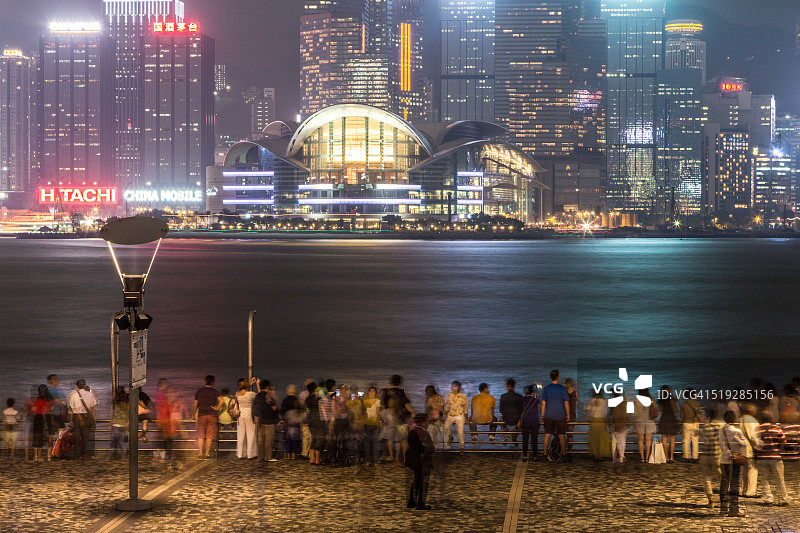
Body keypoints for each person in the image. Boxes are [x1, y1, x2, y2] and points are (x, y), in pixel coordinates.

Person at [756, 411, 792, 506]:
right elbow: (783, 441)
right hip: (775, 456)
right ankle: (783, 499)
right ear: (771, 419)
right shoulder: (776, 428)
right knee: (779, 479)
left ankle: (768, 499)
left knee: (765, 479)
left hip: (762, 457)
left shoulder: (757, 429)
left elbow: (755, 442)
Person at [719, 410, 748, 517]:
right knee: (735, 483)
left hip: (724, 459)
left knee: (724, 483)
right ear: (733, 419)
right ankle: (734, 509)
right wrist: (736, 439)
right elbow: (745, 444)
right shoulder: (736, 431)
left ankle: (723, 508)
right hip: (735, 459)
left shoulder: (721, 430)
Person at [381, 375, 413, 466]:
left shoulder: (386, 392)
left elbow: (383, 405)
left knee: (390, 439)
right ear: (400, 382)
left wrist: (383, 418)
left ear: (391, 382)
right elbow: (407, 404)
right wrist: (412, 413)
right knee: (402, 439)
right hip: (400, 418)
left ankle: (392, 458)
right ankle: (405, 459)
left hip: (389, 417)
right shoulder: (400, 392)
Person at [405, 414, 435, 511]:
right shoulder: (424, 434)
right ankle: (420, 503)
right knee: (423, 482)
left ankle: (412, 501)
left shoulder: (411, 432)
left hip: (413, 461)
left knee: (416, 480)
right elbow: (430, 448)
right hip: (423, 461)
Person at [541, 369, 570, 461]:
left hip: (549, 415)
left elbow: (543, 403)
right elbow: (566, 403)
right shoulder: (562, 389)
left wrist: (542, 414)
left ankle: (544, 454)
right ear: (558, 377)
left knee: (547, 435)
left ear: (551, 377)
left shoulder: (547, 389)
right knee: (561, 435)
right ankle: (563, 455)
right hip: (560, 415)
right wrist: (568, 414)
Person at [698, 407, 724, 508]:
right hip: (717, 455)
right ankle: (724, 499)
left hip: (705, 455)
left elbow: (697, 433)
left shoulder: (704, 427)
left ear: (708, 416)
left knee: (706, 478)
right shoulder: (721, 427)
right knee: (722, 478)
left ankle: (711, 500)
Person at [192, 375, 222, 460]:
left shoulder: (200, 391)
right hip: (212, 415)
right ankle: (207, 454)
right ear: (213, 382)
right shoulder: (215, 391)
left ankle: (200, 453)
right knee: (209, 436)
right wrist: (216, 408)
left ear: (205, 381)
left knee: (201, 435)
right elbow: (221, 401)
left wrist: (193, 414)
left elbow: (195, 404)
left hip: (202, 415)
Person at [67, 379, 96, 459]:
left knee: (77, 437)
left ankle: (76, 455)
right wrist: (94, 418)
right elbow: (92, 409)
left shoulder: (73, 395)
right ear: (85, 386)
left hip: (77, 417)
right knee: (85, 437)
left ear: (77, 386)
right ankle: (84, 454)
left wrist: (71, 420)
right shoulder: (90, 395)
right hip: (86, 417)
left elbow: (72, 410)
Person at [253, 378, 279, 462]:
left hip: (259, 420)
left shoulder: (257, 396)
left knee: (261, 440)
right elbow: (274, 408)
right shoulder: (269, 396)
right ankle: (268, 457)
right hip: (269, 420)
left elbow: (254, 408)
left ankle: (260, 456)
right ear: (268, 387)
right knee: (269, 440)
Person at [739, 403, 761, 497]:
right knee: (752, 470)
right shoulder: (752, 421)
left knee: (743, 471)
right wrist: (758, 447)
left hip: (741, 448)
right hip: (750, 448)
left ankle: (742, 490)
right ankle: (750, 492)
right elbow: (753, 437)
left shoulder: (741, 419)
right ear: (752, 411)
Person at [234, 377, 257, 459]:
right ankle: (250, 454)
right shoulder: (250, 394)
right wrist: (257, 384)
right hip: (249, 415)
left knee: (240, 435)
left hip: (240, 416)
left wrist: (249, 385)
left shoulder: (237, 394)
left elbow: (244, 393)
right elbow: (259, 395)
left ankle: (240, 454)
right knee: (250, 434)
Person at [584, 390, 611, 461]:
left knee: (594, 439)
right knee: (602, 439)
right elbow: (606, 412)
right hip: (602, 421)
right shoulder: (604, 401)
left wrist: (587, 418)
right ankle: (600, 455)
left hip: (594, 421)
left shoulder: (591, 401)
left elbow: (587, 411)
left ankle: (595, 456)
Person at [29, 385, 53, 462]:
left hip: (38, 417)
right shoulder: (50, 399)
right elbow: (52, 408)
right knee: (49, 436)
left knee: (37, 436)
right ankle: (48, 456)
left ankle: (36, 456)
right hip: (47, 417)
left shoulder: (37, 399)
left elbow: (33, 409)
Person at [443, 381, 468, 453]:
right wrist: (444, 416)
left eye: (455, 386)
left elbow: (465, 407)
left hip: (460, 415)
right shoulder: (449, 395)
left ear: (458, 387)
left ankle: (462, 447)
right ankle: (450, 436)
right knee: (445, 427)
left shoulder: (463, 396)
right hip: (450, 415)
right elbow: (447, 406)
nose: (453, 387)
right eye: (452, 386)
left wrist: (466, 418)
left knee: (460, 432)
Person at [657, 385, 680, 463]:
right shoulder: (672, 400)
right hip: (671, 418)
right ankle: (671, 457)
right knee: (672, 439)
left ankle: (666, 457)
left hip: (663, 418)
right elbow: (676, 410)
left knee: (664, 438)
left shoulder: (660, 400)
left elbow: (659, 411)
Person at [518, 385, 540, 461]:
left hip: (526, 421)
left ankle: (525, 456)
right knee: (534, 439)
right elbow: (539, 410)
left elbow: (521, 410)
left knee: (525, 439)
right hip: (535, 421)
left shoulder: (523, 400)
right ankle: (534, 456)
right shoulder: (536, 400)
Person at [634, 388, 656, 463]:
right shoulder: (651, 399)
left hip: (639, 421)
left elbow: (634, 411)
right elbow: (654, 408)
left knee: (640, 440)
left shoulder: (636, 399)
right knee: (648, 440)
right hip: (649, 421)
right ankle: (647, 457)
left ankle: (642, 458)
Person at [305, 381, 324, 465]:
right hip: (318, 421)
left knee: (313, 439)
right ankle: (317, 459)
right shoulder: (317, 399)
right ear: (314, 389)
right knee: (318, 440)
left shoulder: (307, 399)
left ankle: (312, 459)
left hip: (311, 421)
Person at [680, 389, 701, 462]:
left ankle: (687, 457)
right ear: (693, 395)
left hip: (686, 423)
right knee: (695, 440)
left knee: (686, 441)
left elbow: (681, 416)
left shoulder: (684, 404)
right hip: (695, 423)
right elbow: (699, 413)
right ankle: (695, 457)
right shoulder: (697, 403)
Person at [499, 379, 524, 443]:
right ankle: (515, 433)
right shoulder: (519, 396)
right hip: (516, 419)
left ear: (507, 386)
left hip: (506, 419)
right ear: (514, 386)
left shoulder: (503, 396)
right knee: (521, 419)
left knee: (501, 418)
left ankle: (506, 433)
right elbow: (522, 409)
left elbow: (501, 410)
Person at [610, 391, 630, 472]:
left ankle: (617, 457)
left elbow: (611, 414)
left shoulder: (613, 403)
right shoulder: (624, 403)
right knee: (622, 440)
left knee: (617, 440)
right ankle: (621, 456)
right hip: (623, 423)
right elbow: (628, 413)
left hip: (616, 424)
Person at [363, 386, 382, 465]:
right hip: (366, 423)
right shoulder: (365, 401)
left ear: (376, 393)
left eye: (373, 392)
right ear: (368, 393)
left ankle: (374, 459)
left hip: (374, 424)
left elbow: (377, 412)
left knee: (374, 442)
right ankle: (367, 459)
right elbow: (364, 411)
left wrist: (376, 420)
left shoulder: (378, 401)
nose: (371, 393)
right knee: (367, 442)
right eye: (370, 391)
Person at [282, 386, 302, 460]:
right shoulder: (296, 400)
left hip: (287, 422)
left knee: (287, 439)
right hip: (295, 423)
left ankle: (287, 454)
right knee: (295, 440)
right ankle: (294, 454)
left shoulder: (285, 400)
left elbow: (282, 411)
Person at [109, 386, 129, 460]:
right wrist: (129, 422)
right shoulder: (127, 403)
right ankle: (122, 457)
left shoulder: (115, 403)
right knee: (122, 443)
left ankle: (110, 457)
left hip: (115, 424)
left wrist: (110, 424)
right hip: (125, 424)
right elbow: (130, 413)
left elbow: (112, 414)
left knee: (113, 443)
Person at [298, 379, 315, 459]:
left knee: (305, 436)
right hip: (312, 417)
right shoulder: (314, 395)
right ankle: (311, 454)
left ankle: (304, 453)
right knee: (311, 436)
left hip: (304, 417)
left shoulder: (302, 394)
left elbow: (300, 405)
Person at [564, 378, 578, 451]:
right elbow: (576, 404)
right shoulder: (575, 393)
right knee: (570, 434)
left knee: (561, 434)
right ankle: (569, 450)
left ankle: (563, 450)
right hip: (572, 415)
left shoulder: (563, 393)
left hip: (563, 415)